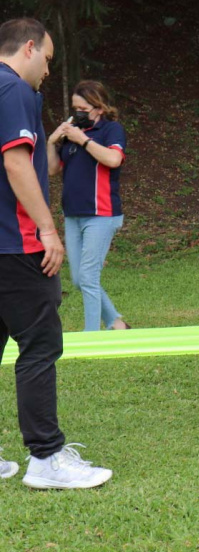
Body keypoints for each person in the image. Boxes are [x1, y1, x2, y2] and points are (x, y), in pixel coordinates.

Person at [0, 17, 111, 488]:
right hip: (18, 244)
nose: (48, 70)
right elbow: (15, 162)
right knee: (41, 345)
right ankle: (45, 459)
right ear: (28, 48)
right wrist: (47, 229)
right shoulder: (13, 89)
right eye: (46, 59)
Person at [47, 80, 130, 332]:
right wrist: (52, 142)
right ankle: (116, 322)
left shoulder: (111, 130)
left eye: (83, 109)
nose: (78, 113)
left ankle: (91, 335)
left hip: (101, 214)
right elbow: (52, 169)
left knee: (88, 277)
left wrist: (82, 140)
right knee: (78, 279)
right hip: (73, 215)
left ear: (99, 108)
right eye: (75, 108)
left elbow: (113, 159)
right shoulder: (72, 133)